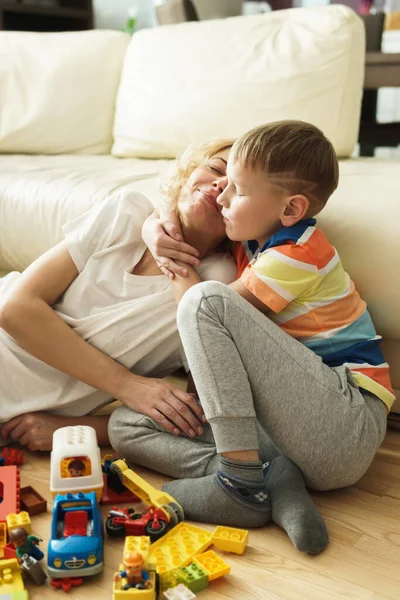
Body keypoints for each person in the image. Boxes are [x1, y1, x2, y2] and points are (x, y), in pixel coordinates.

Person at [109, 120, 393, 552]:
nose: (221, 196)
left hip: (345, 422)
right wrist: (159, 224)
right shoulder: (255, 242)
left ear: (291, 210)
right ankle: (273, 480)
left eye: (236, 191)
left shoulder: (299, 254)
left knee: (206, 301)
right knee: (126, 424)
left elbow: (200, 316)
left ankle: (237, 484)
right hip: (290, 438)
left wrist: (172, 262)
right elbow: (173, 211)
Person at [0, 139, 238, 451]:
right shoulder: (128, 211)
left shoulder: (213, 285)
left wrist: (77, 429)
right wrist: (125, 384)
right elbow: (14, 309)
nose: (220, 183)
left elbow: (202, 415)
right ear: (188, 172)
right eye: (214, 168)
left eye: (237, 186)